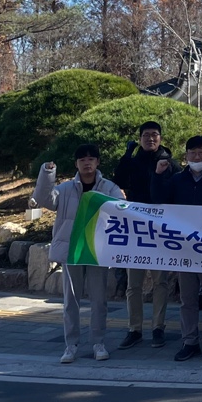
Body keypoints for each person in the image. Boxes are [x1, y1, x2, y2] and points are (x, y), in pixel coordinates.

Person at [32, 144, 125, 364]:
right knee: (70, 301)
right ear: (76, 164)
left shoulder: (109, 187)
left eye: (91, 159)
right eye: (82, 160)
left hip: (96, 250)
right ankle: (70, 345)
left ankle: (98, 343)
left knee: (99, 300)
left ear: (98, 162)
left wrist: (123, 201)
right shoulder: (65, 189)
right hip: (72, 249)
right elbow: (44, 199)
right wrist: (47, 173)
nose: (87, 163)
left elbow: (122, 210)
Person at [151, 135, 202, 362]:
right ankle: (190, 341)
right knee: (188, 298)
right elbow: (159, 202)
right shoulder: (177, 180)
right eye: (192, 153)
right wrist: (157, 175)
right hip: (184, 247)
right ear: (186, 156)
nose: (197, 156)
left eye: (201, 152)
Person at [114, 120, 176, 349]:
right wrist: (126, 154)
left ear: (160, 138)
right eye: (146, 135)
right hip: (135, 227)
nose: (151, 138)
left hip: (160, 228)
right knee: (134, 284)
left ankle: (158, 327)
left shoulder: (169, 162)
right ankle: (135, 329)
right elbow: (118, 181)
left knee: (160, 282)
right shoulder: (133, 161)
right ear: (140, 139)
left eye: (155, 134)